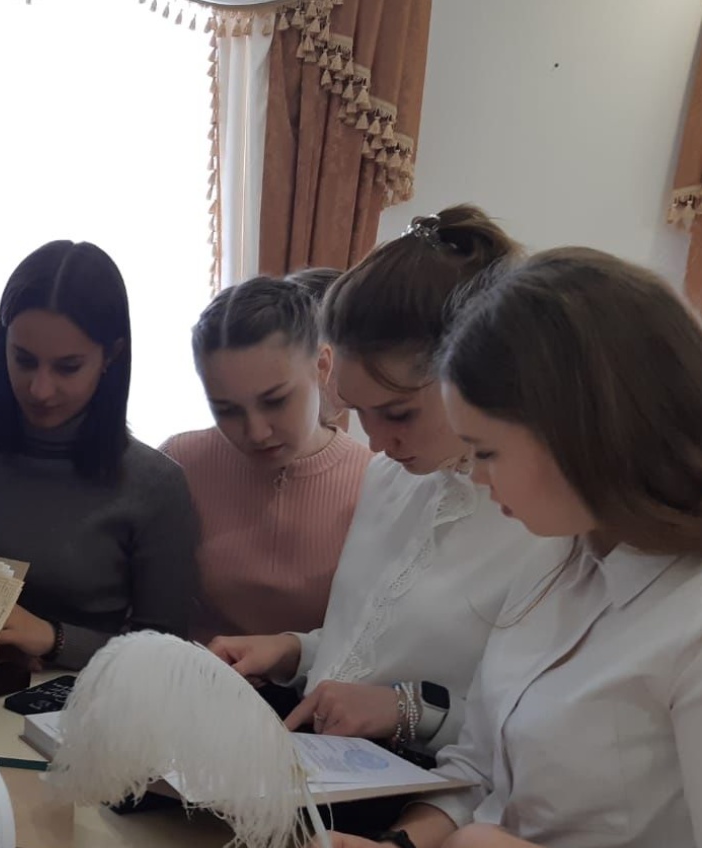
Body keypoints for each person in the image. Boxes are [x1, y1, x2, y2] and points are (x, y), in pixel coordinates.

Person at [293, 248, 702, 848]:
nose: (475, 476)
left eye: (486, 451)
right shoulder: (561, 555)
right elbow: (482, 766)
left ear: (586, 431)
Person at [208, 206, 545, 758]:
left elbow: (544, 734)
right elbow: (367, 644)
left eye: (398, 413)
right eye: (359, 410)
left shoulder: (544, 523)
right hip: (321, 765)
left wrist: (408, 710)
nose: (379, 441)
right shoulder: (389, 475)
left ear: (478, 373)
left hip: (430, 792)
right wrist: (292, 651)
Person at [0, 239, 199, 670]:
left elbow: (165, 654)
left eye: (67, 367)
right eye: (24, 360)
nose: (40, 389)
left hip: (82, 695)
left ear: (112, 356)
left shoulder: (155, 485)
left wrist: (53, 638)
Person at [162, 270, 371, 640]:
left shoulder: (375, 482)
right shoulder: (181, 462)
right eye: (226, 409)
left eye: (275, 401)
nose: (256, 432)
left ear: (322, 366)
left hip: (323, 677)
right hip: (191, 670)